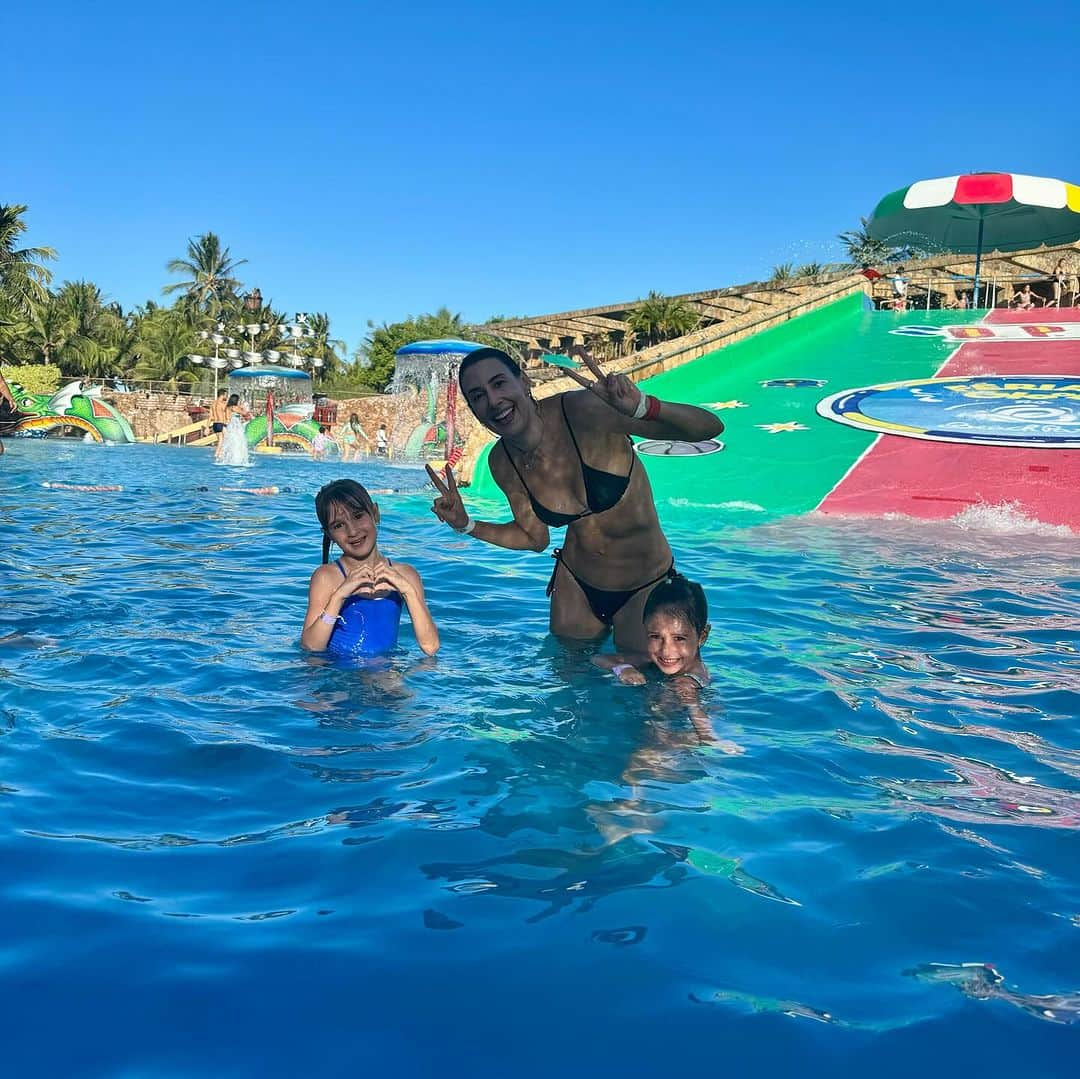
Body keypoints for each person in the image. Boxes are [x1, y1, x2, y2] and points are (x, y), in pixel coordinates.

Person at [426, 346, 723, 652]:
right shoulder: (502, 461)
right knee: (569, 690)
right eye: (478, 396)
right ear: (474, 410)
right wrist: (466, 525)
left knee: (647, 689)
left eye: (499, 383)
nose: (493, 400)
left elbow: (708, 428)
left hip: (644, 583)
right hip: (576, 587)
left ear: (523, 381)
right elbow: (534, 537)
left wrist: (643, 406)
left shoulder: (583, 411)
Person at [592, 575, 740, 753]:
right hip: (666, 729)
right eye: (655, 637)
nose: (666, 650)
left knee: (634, 771)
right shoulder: (652, 661)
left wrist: (709, 738)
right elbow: (598, 659)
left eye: (679, 638)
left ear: (702, 636)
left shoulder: (685, 683)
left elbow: (693, 705)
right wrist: (623, 669)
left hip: (675, 738)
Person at [300, 479, 439, 657]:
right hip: (337, 674)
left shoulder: (406, 575)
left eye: (358, 516)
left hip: (384, 673)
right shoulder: (327, 577)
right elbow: (311, 646)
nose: (352, 531)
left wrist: (407, 591)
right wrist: (339, 596)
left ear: (375, 513)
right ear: (329, 534)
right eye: (338, 525)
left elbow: (431, 647)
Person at [217, 394, 250, 467]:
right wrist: (243, 407)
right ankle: (237, 459)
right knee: (238, 441)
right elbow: (245, 413)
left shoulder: (228, 407)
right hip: (235, 425)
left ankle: (225, 458)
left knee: (230, 442)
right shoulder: (234, 407)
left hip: (229, 425)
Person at [209, 389, 228, 460]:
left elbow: (210, 416)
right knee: (222, 440)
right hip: (221, 423)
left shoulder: (213, 404)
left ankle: (220, 454)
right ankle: (217, 455)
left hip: (215, 424)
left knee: (221, 440)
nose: (226, 396)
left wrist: (207, 427)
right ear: (222, 395)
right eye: (226, 395)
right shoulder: (222, 404)